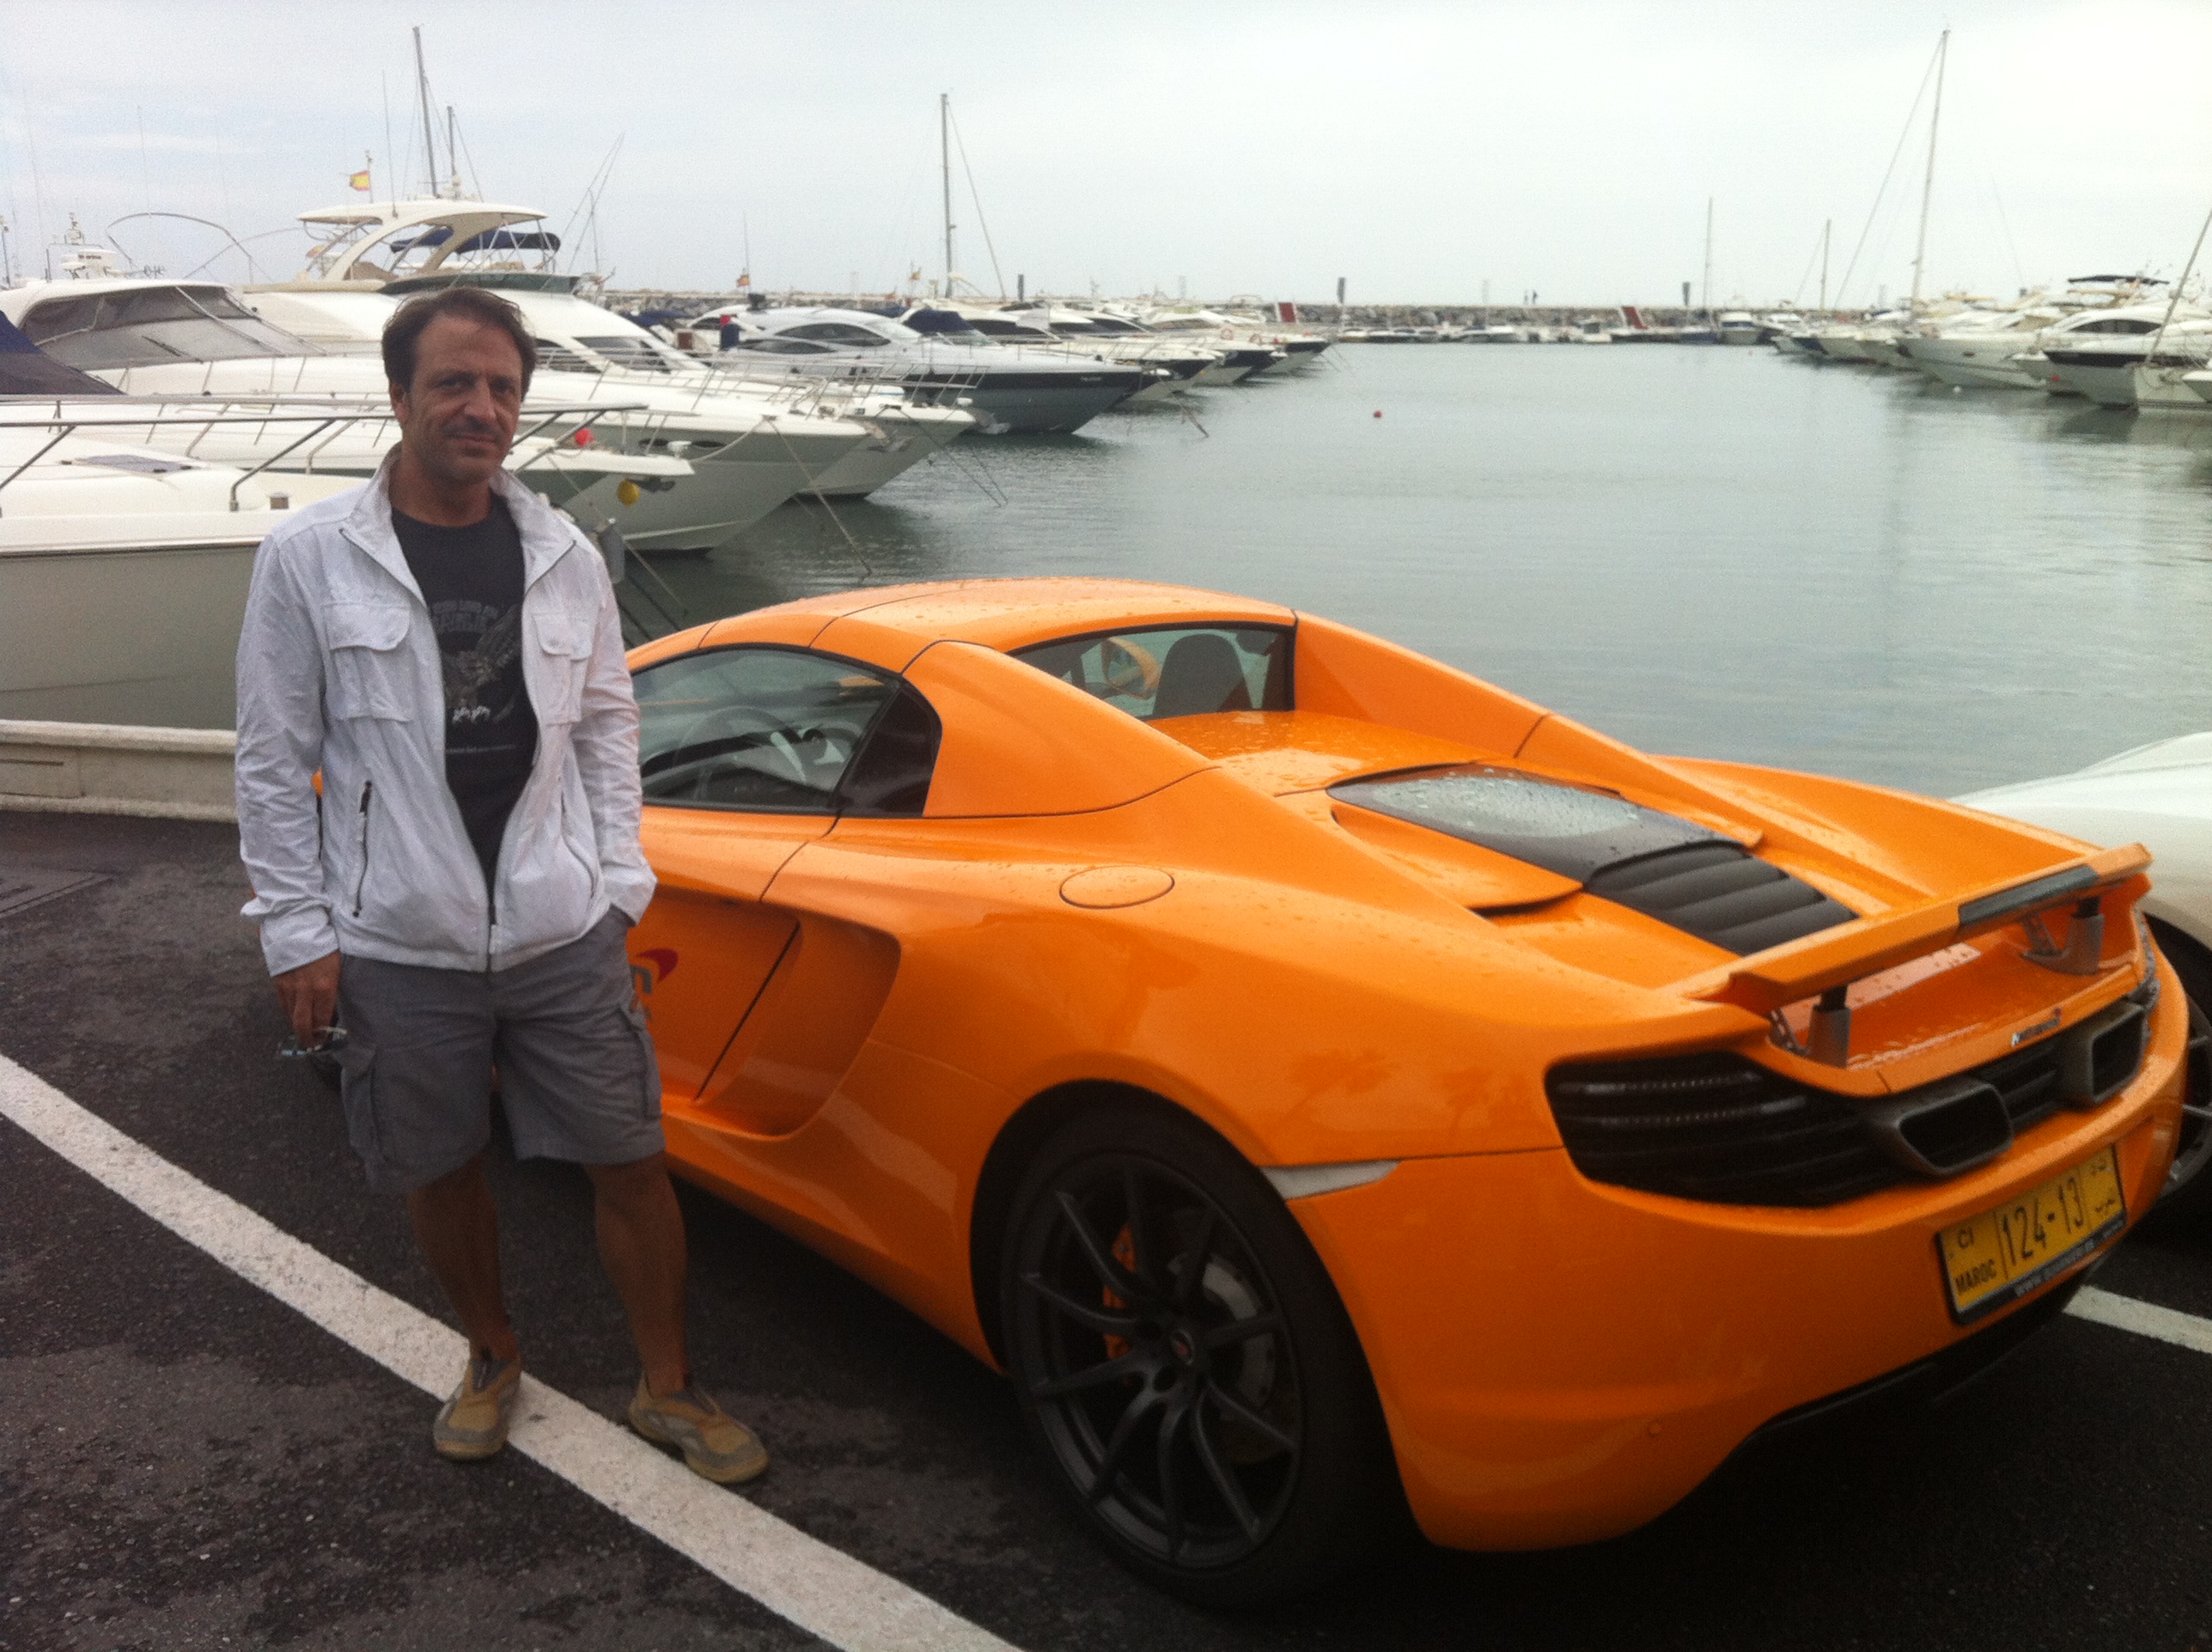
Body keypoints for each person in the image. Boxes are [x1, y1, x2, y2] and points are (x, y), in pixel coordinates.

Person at [233, 285, 766, 1484]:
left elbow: (608, 726)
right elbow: (273, 757)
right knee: (438, 1164)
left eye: (503, 389)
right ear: (400, 397)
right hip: (399, 936)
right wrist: (296, 933)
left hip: (562, 927)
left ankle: (667, 1385)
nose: (482, 408)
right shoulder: (310, 557)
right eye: (455, 384)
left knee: (630, 1159)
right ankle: (492, 1353)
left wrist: (617, 880)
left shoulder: (564, 552)